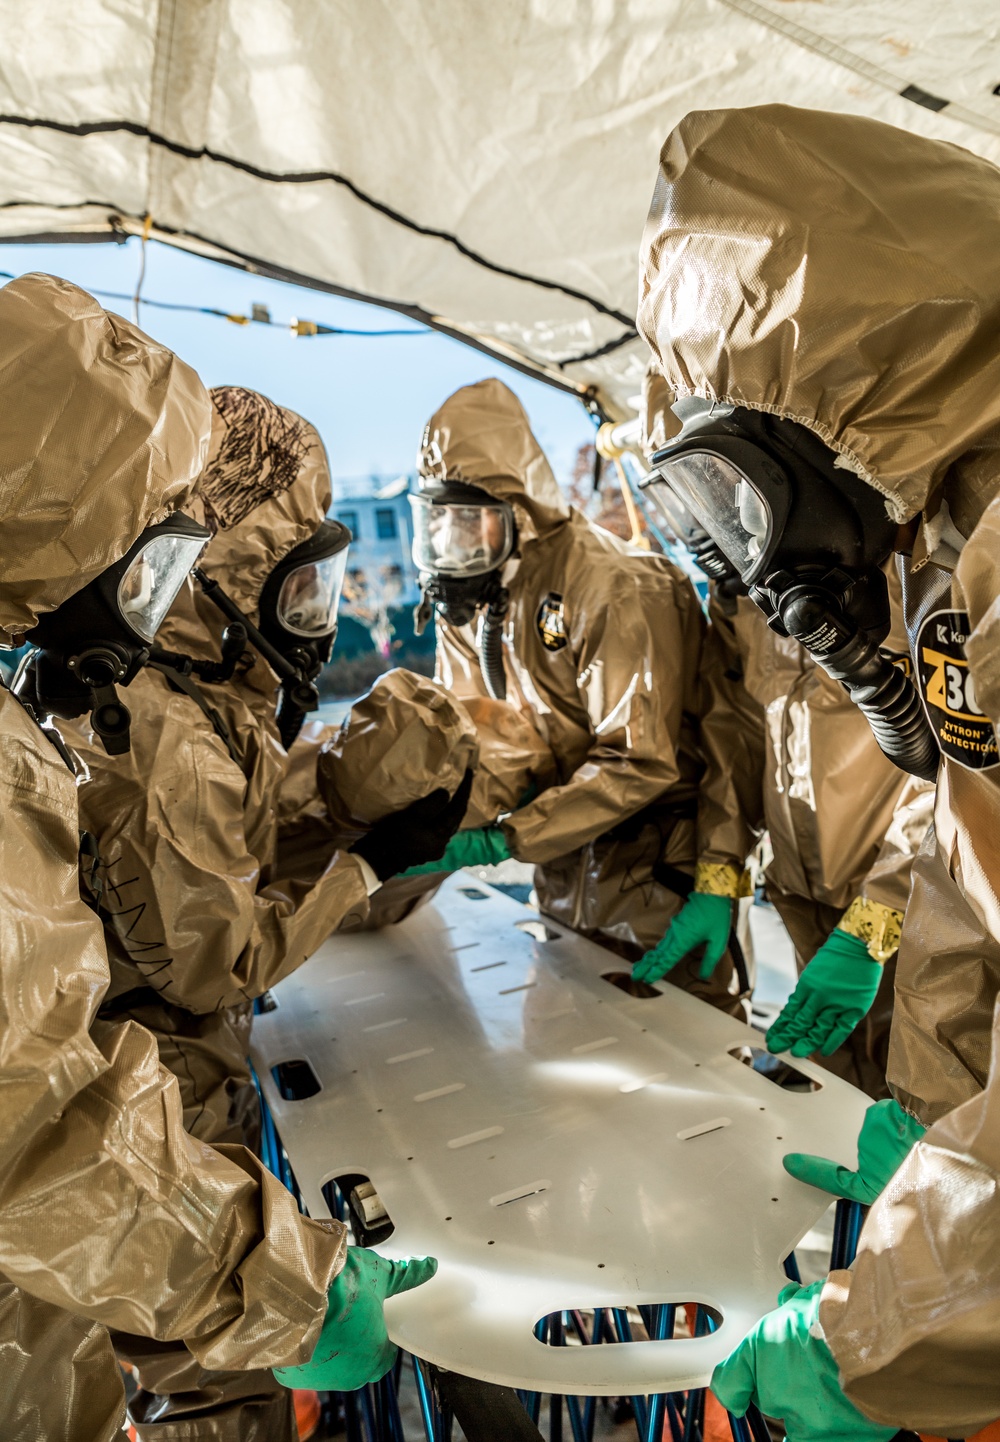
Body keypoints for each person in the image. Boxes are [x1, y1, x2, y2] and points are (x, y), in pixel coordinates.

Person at [0, 280, 434, 1442]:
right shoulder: (139, 730)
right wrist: (271, 1281)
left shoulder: (157, 711)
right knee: (209, 1391)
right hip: (157, 1139)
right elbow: (187, 982)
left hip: (132, 1184)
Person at [637, 103, 1000, 1437]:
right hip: (855, 938)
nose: (744, 554)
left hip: (877, 914)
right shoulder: (933, 544)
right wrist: (945, 1129)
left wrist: (905, 1321)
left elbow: (932, 811)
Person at [637, 365, 935, 1098]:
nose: (715, 518)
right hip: (803, 899)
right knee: (835, 1104)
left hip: (915, 907)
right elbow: (736, 734)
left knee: (931, 1112)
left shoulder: (908, 562)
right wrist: (720, 873)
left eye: (719, 481)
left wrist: (881, 916)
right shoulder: (746, 597)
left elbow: (965, 768)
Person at [414, 377, 744, 1013]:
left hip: (656, 878)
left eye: (466, 519)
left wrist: (505, 841)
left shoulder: (614, 588)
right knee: (568, 1055)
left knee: (691, 1065)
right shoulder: (483, 601)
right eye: (437, 521)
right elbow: (470, 734)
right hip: (562, 869)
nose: (449, 542)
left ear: (517, 507)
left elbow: (639, 758)